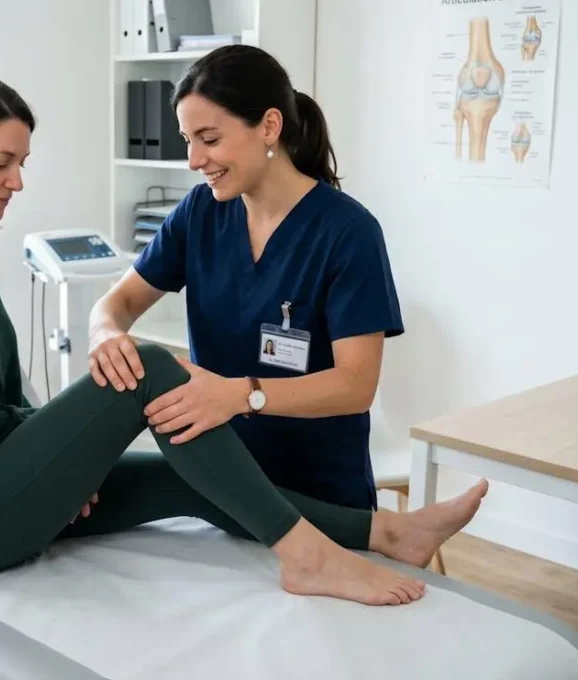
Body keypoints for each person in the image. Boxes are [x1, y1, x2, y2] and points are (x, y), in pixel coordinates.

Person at [0, 69, 490, 608]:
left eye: (21, 163)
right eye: (1, 163)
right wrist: (54, 457)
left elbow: (3, 398)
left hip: (301, 464)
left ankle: (387, 531)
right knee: (152, 365)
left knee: (181, 481)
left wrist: (50, 468)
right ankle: (310, 557)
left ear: (268, 127)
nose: (18, 181)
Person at [89, 45, 398, 512]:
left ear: (269, 126)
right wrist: (105, 333)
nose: (193, 160)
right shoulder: (199, 214)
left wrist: (241, 395)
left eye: (209, 139)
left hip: (318, 494)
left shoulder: (347, 233)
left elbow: (355, 386)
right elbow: (119, 304)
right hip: (220, 484)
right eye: (186, 139)